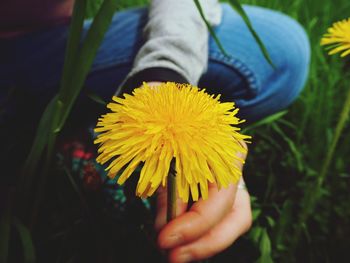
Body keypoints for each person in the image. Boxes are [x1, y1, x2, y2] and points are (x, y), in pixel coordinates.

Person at [0, 0, 310, 262]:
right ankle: (79, 140)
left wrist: (163, 74)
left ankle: (84, 134)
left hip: (52, 43)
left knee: (282, 48)